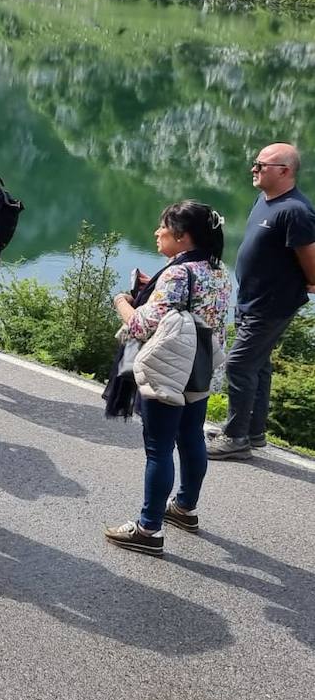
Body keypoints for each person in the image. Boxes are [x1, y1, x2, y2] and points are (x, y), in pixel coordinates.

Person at [102, 202, 232, 555]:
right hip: (201, 364)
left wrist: (122, 301)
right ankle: (185, 508)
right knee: (190, 437)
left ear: (182, 236)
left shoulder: (177, 275)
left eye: (163, 228)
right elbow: (193, 309)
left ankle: (148, 529)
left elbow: (141, 325)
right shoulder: (218, 270)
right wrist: (153, 288)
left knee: (158, 448)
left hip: (169, 367)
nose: (156, 233)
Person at [208, 143, 315, 460]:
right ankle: (252, 432)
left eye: (260, 165)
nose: (253, 169)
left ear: (285, 171)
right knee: (259, 366)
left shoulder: (295, 211)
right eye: (254, 164)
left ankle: (235, 437)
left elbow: (310, 258)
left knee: (239, 364)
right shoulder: (265, 199)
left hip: (271, 304)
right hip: (251, 299)